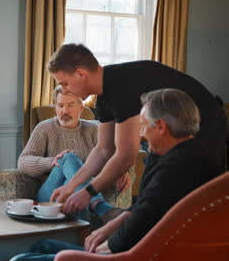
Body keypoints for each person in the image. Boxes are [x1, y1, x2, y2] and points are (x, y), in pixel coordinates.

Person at [10, 88, 219, 260]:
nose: (141, 133)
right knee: (43, 244)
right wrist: (109, 227)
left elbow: (143, 219)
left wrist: (109, 245)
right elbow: (144, 208)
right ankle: (101, 208)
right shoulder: (192, 158)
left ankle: (93, 214)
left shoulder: (173, 169)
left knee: (21, 259)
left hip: (131, 254)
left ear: (162, 127)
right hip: (54, 198)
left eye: (143, 126)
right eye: (60, 105)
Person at [48, 43, 225, 214]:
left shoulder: (121, 87)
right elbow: (103, 150)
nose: (64, 89)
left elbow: (126, 156)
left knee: (198, 196)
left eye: (64, 83)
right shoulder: (103, 98)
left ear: (80, 74)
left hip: (205, 121)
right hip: (165, 133)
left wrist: (88, 192)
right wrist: (70, 187)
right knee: (151, 196)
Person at [18, 85, 121, 222]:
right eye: (60, 105)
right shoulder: (44, 128)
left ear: (81, 108)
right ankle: (99, 205)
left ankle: (80, 236)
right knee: (68, 158)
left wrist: (122, 170)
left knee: (73, 186)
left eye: (70, 105)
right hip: (50, 194)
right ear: (55, 107)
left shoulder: (93, 129)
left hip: (76, 193)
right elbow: (23, 161)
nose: (64, 111)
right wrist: (52, 161)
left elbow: (112, 156)